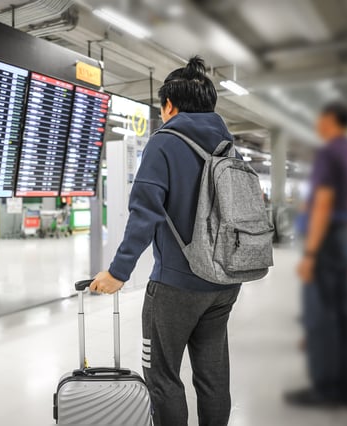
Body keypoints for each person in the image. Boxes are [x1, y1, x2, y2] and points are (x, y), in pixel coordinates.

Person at [91, 56, 242, 426]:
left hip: (176, 285)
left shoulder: (164, 142)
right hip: (225, 282)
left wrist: (118, 272)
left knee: (162, 378)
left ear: (170, 105)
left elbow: (145, 213)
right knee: (213, 378)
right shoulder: (228, 147)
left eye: (162, 109)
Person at [286, 101, 347, 408]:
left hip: (327, 242)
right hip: (344, 239)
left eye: (321, 116)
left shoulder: (329, 153)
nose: (317, 121)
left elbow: (323, 203)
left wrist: (310, 254)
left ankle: (325, 388)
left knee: (321, 317)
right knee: (343, 314)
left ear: (330, 119)